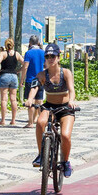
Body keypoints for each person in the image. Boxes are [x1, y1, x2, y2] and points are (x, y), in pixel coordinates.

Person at [32, 43, 78, 176]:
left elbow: (72, 90)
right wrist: (30, 99)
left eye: (53, 56)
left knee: (65, 135)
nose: (50, 58)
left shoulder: (66, 73)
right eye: (47, 56)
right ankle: (41, 154)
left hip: (65, 108)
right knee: (40, 123)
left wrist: (71, 100)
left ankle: (65, 162)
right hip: (49, 106)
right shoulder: (42, 74)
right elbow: (34, 88)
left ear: (58, 58)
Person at [0, 38, 23, 126]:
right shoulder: (16, 54)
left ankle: (3, 120)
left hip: (4, 75)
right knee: (13, 99)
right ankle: (13, 120)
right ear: (13, 45)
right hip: (14, 76)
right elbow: (25, 63)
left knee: (4, 99)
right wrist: (19, 70)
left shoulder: (3, 53)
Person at [22, 35, 46, 128]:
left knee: (30, 101)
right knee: (39, 101)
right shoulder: (43, 52)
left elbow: (25, 66)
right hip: (41, 79)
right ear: (38, 42)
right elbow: (46, 65)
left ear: (30, 42)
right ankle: (41, 121)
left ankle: (31, 122)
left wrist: (22, 79)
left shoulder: (28, 53)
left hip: (30, 79)